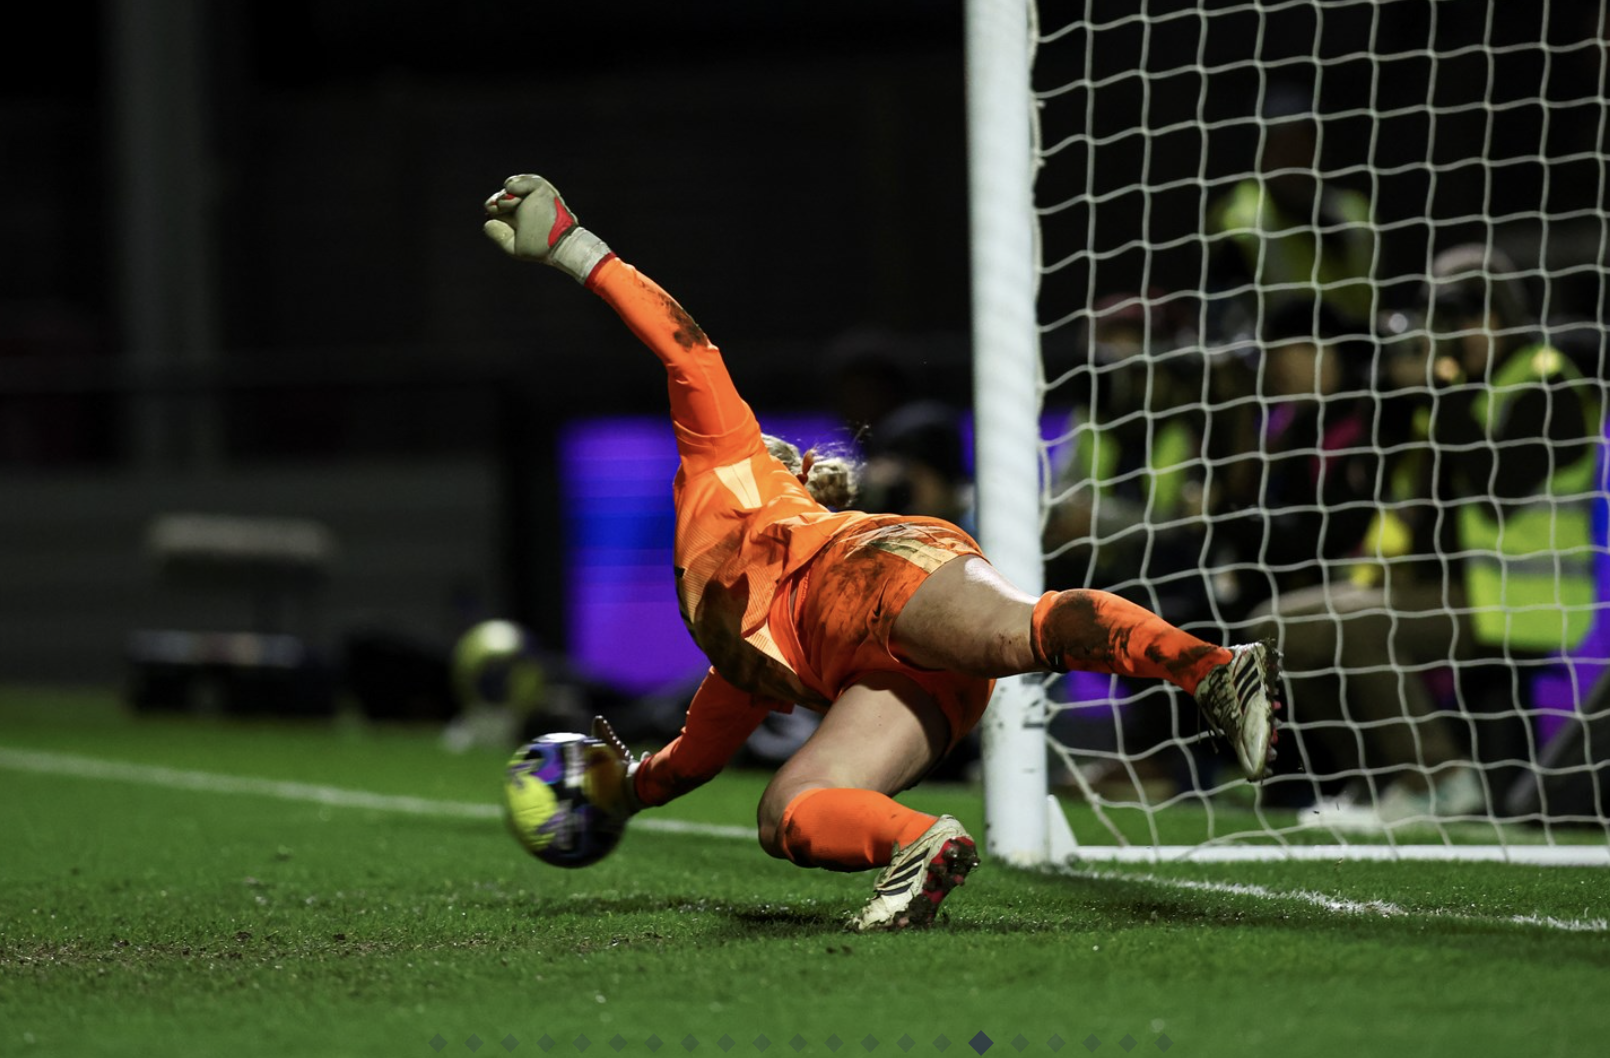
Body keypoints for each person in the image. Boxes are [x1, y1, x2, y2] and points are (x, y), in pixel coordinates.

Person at [482, 173, 1280, 931]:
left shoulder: (730, 461)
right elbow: (693, 757)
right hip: (892, 683)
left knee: (1019, 633)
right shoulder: (733, 657)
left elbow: (686, 349)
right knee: (786, 809)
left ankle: (1211, 670)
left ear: (788, 464)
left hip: (875, 576)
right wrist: (625, 790)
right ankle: (917, 846)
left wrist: (572, 245)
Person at [1261, 244, 1600, 823]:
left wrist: (1442, 387)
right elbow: (1381, 482)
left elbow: (1499, 492)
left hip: (1517, 600)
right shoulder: (1458, 387)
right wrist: (1397, 392)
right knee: (1276, 627)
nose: (1455, 335)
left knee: (1360, 627)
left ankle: (1439, 780)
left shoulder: (1548, 382)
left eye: (1465, 317)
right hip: (1442, 590)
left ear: (1500, 315)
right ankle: (1382, 785)